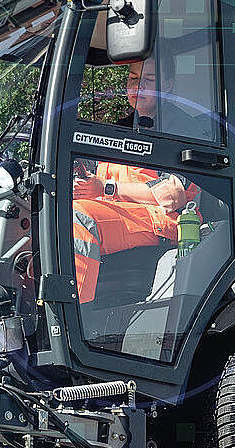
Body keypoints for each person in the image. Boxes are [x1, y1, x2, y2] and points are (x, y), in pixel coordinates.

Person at [70, 59, 198, 304]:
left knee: (79, 218)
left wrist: (107, 188)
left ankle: (74, 317)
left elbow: (174, 193)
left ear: (168, 85)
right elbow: (98, 181)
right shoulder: (117, 130)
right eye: (132, 79)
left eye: (148, 80)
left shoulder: (183, 128)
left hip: (164, 221)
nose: (137, 86)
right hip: (119, 216)